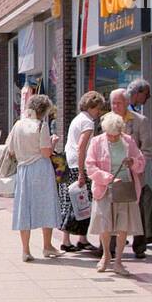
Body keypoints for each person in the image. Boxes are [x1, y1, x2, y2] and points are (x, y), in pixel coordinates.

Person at [85, 111, 146, 276]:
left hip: (125, 189)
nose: (112, 138)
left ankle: (118, 260)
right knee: (105, 225)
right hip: (105, 189)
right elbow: (90, 166)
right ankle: (106, 255)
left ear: (121, 131)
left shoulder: (128, 141)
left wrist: (132, 162)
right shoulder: (97, 142)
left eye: (115, 135)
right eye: (109, 135)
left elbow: (140, 162)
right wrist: (108, 178)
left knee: (122, 226)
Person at [5, 93, 61, 261]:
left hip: (23, 170)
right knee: (46, 204)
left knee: (24, 208)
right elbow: (45, 152)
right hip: (40, 169)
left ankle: (26, 250)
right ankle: (47, 245)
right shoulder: (41, 126)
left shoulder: (18, 125)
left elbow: (11, 150)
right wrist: (53, 143)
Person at [61, 91, 106, 254]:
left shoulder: (77, 119)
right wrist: (81, 172)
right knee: (80, 203)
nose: (99, 112)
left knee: (73, 201)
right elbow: (82, 147)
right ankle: (73, 240)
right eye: (98, 109)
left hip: (71, 162)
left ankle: (78, 238)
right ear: (92, 106)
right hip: (80, 165)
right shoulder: (88, 123)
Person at [126, 78, 152, 257]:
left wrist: (140, 169)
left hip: (136, 172)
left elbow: (147, 149)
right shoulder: (114, 118)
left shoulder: (140, 119)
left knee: (141, 207)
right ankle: (110, 247)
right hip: (117, 172)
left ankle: (140, 245)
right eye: (146, 94)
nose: (148, 98)